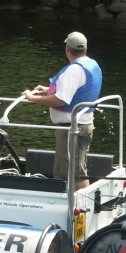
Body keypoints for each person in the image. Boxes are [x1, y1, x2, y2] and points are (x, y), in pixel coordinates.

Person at [22, 32, 102, 190]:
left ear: (67, 49)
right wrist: (47, 90)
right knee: (74, 170)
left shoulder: (74, 70)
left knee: (73, 174)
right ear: (86, 48)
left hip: (71, 129)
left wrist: (32, 98)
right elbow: (77, 91)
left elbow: (61, 100)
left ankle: (81, 209)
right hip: (80, 125)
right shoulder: (91, 64)